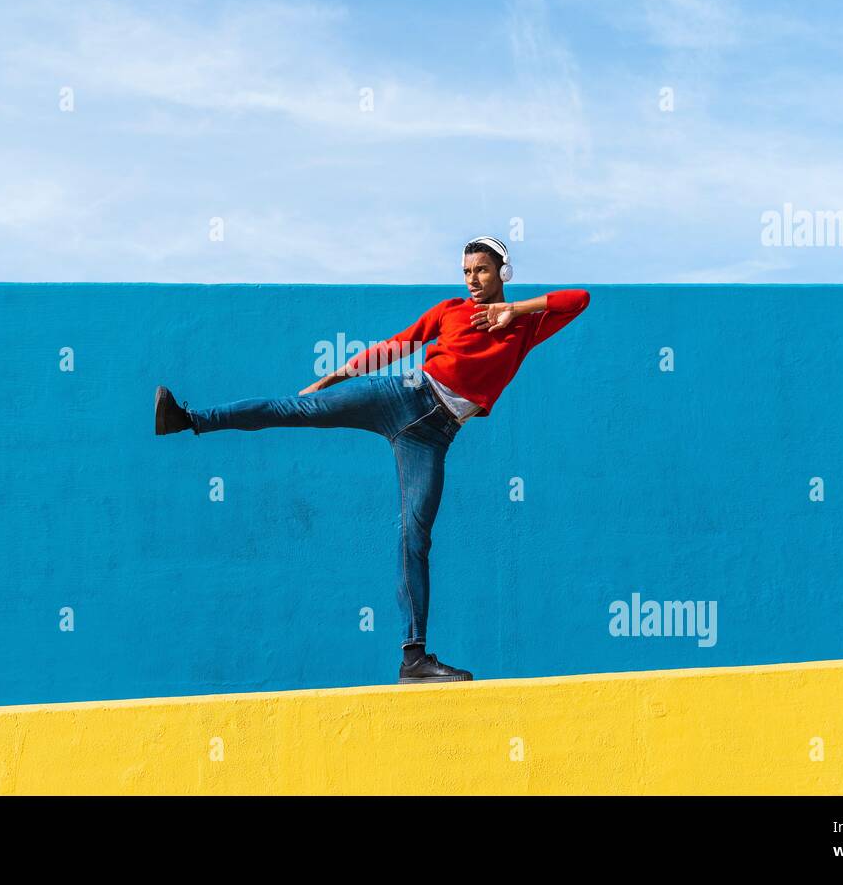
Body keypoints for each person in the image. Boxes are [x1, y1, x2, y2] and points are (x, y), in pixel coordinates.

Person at [154, 237, 591, 684]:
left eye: (481, 270)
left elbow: (580, 300)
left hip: (435, 435)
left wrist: (514, 311)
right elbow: (397, 345)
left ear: (504, 272)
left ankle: (413, 659)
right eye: (466, 272)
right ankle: (187, 418)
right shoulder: (450, 310)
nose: (473, 280)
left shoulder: (526, 326)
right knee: (295, 409)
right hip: (404, 395)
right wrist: (339, 374)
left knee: (414, 537)